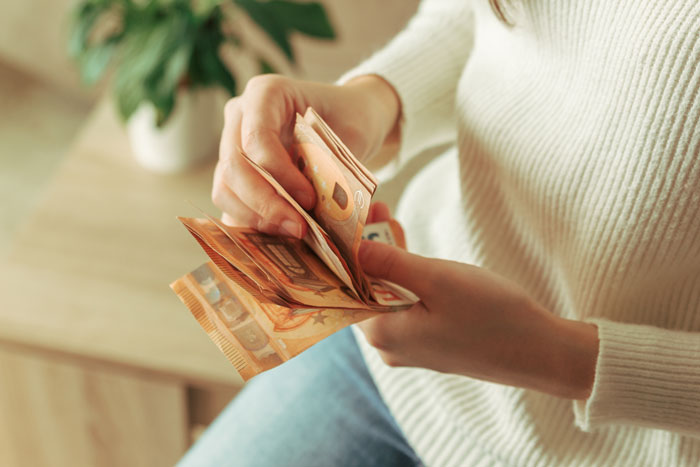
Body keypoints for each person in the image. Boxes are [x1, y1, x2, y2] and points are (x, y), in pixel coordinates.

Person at [179, 0, 700, 465]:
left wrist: (557, 357)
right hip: (399, 355)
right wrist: (375, 102)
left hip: (639, 440)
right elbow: (490, 18)